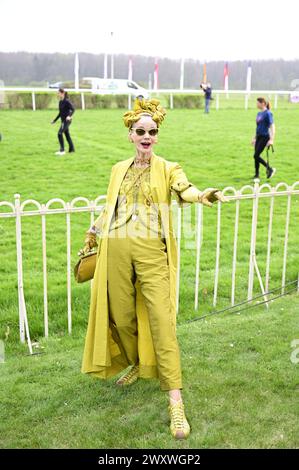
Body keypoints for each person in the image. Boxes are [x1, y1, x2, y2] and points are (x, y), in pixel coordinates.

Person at [79, 98, 227, 440]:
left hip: (151, 253)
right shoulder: (118, 169)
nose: (147, 136)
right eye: (140, 131)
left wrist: (201, 195)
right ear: (130, 134)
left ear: (157, 136)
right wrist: (92, 232)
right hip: (115, 249)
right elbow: (111, 207)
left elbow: (183, 187)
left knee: (162, 320)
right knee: (124, 318)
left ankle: (175, 400)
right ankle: (138, 364)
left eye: (152, 132)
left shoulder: (167, 167)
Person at [251, 97, 276, 180]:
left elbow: (272, 126)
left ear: (263, 103)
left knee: (256, 155)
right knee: (256, 156)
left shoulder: (268, 113)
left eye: (258, 103)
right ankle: (256, 174)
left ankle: (270, 169)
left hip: (265, 137)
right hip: (258, 136)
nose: (256, 104)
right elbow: (257, 127)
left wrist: (271, 139)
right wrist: (254, 138)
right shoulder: (259, 114)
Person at [51, 88, 75, 155]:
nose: (57, 94)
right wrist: (54, 120)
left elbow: (73, 109)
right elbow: (60, 113)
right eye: (57, 93)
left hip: (67, 121)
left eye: (58, 93)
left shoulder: (67, 101)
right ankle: (72, 150)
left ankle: (62, 150)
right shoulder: (60, 102)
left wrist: (69, 116)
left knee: (59, 133)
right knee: (67, 135)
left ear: (62, 93)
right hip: (63, 121)